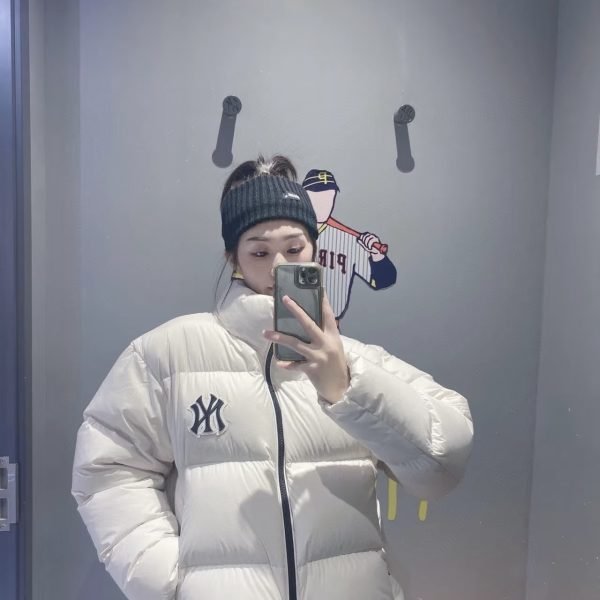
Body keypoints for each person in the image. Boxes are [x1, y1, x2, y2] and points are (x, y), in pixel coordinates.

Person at [71, 154, 473, 600]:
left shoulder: (360, 362)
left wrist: (348, 387)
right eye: (259, 252)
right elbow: (107, 469)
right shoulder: (168, 354)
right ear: (234, 258)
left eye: (294, 249)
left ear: (314, 249)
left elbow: (441, 464)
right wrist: (168, 581)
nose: (278, 265)